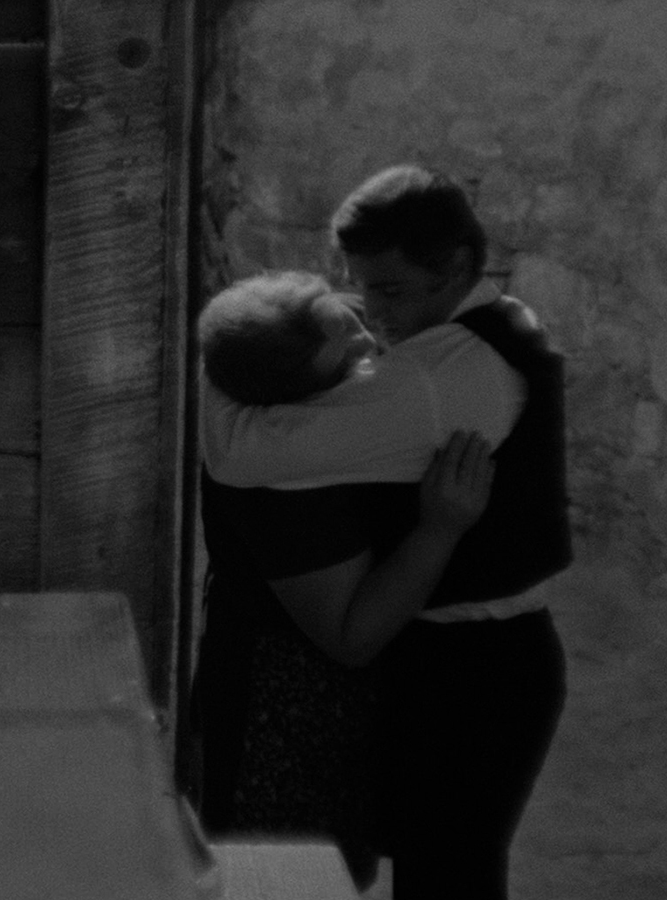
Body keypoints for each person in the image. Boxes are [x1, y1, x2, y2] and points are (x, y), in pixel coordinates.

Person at [193, 164, 572, 900]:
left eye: (389, 291)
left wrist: (221, 356)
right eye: (358, 288)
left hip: (473, 669)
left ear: (454, 266)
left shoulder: (427, 383)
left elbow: (238, 452)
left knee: (446, 879)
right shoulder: (504, 322)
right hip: (468, 658)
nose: (372, 316)